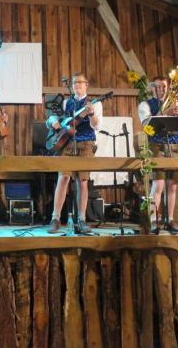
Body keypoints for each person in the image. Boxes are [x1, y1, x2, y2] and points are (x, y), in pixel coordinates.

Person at [46, 72, 103, 234]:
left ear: (87, 85)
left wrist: (91, 114)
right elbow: (52, 118)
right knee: (63, 177)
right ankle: (55, 218)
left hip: (86, 142)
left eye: (80, 82)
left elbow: (96, 126)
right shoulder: (66, 103)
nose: (77, 85)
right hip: (67, 142)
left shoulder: (95, 104)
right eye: (74, 83)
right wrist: (53, 122)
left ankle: (82, 220)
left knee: (83, 181)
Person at [137, 76, 178, 229]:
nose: (160, 90)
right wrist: (166, 111)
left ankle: (170, 220)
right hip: (156, 145)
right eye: (157, 86)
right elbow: (147, 124)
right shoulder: (145, 105)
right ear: (151, 88)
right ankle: (153, 220)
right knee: (158, 183)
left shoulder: (176, 103)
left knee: (172, 185)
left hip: (175, 145)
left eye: (163, 87)